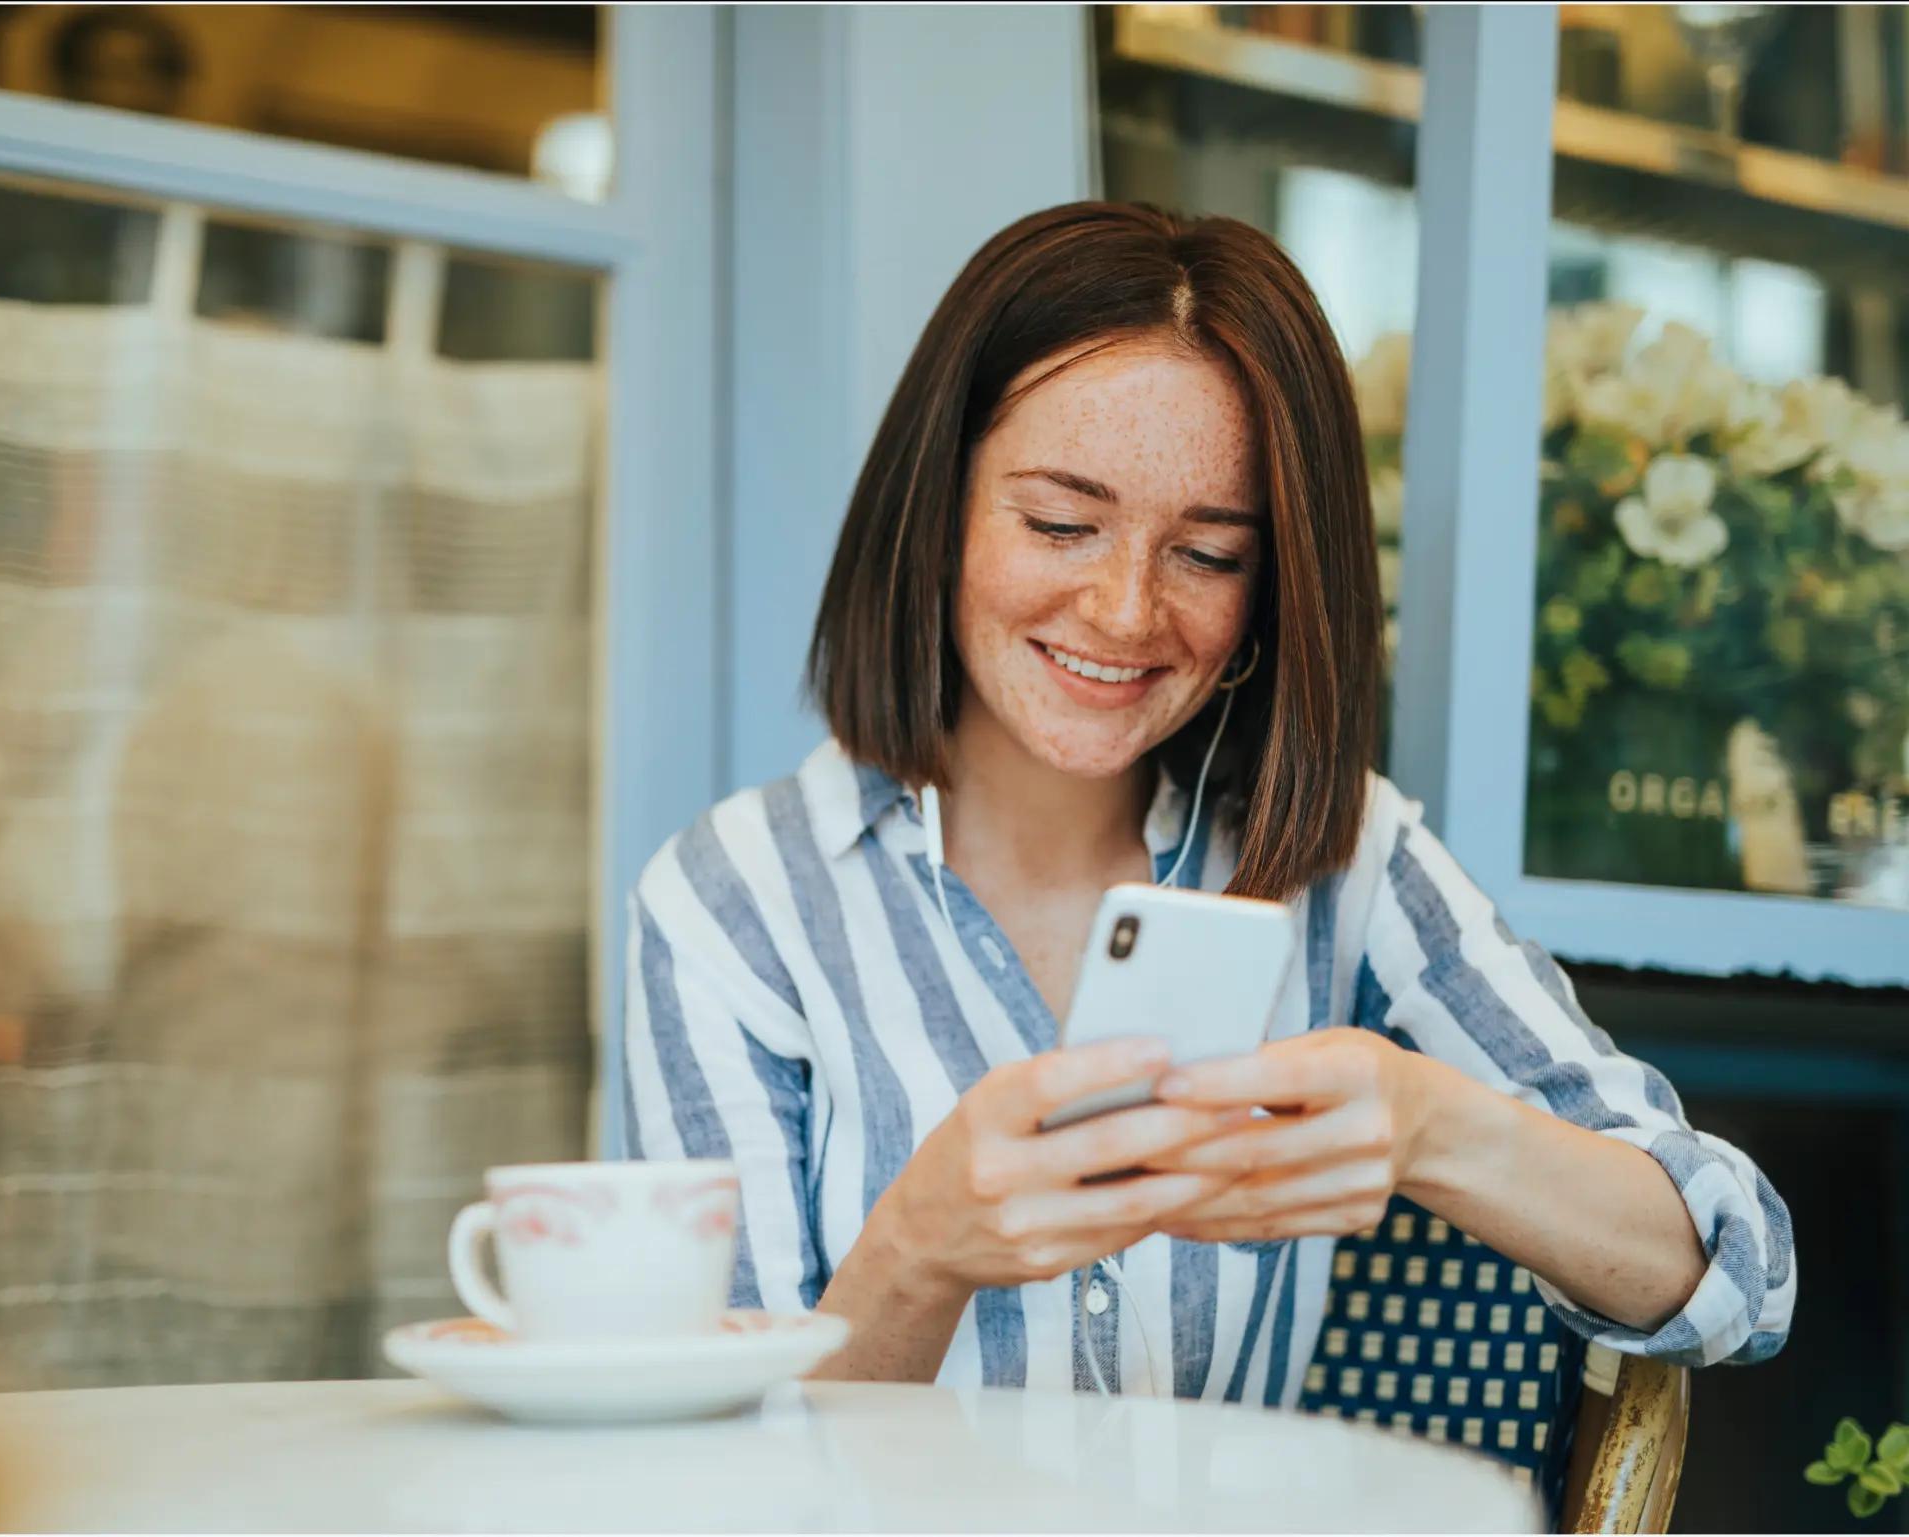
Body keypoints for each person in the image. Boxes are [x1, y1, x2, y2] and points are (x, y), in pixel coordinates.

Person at [623, 202, 1794, 1399]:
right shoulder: (734, 904)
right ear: (939, 511)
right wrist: (918, 1251)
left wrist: (1425, 1127)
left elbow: (1736, 1275)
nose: (1127, 613)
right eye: (1061, 523)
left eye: (1210, 555)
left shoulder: (1348, 859)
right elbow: (730, 1464)